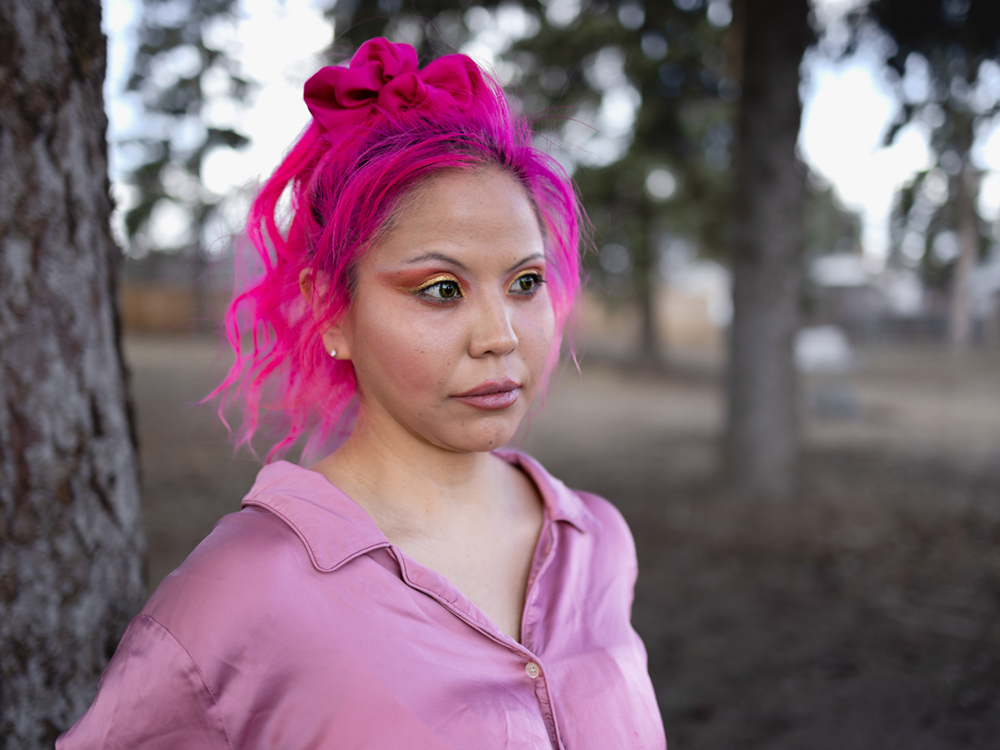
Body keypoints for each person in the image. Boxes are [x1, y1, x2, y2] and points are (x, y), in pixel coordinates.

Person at [57, 38, 666, 749]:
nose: (500, 335)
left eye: (525, 283)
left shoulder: (595, 541)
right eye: (441, 290)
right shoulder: (243, 595)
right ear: (331, 312)